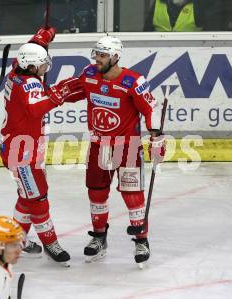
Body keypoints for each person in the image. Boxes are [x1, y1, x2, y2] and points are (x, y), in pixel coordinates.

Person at [66, 36, 166, 267]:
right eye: (96, 54)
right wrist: (49, 96)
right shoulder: (89, 74)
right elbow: (71, 92)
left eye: (102, 55)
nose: (96, 59)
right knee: (97, 193)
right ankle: (99, 237)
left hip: (127, 147)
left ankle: (141, 239)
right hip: (98, 145)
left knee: (132, 196)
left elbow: (150, 107)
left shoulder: (133, 81)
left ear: (115, 56)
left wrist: (156, 135)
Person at [0, 27, 84, 266]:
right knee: (38, 199)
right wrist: (59, 94)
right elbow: (36, 108)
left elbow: (27, 53)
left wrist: (41, 38)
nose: (46, 70)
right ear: (33, 67)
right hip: (23, 154)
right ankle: (50, 243)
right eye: (43, 66)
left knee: (27, 197)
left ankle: (15, 240)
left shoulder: (17, 71)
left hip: (23, 148)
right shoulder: (30, 85)